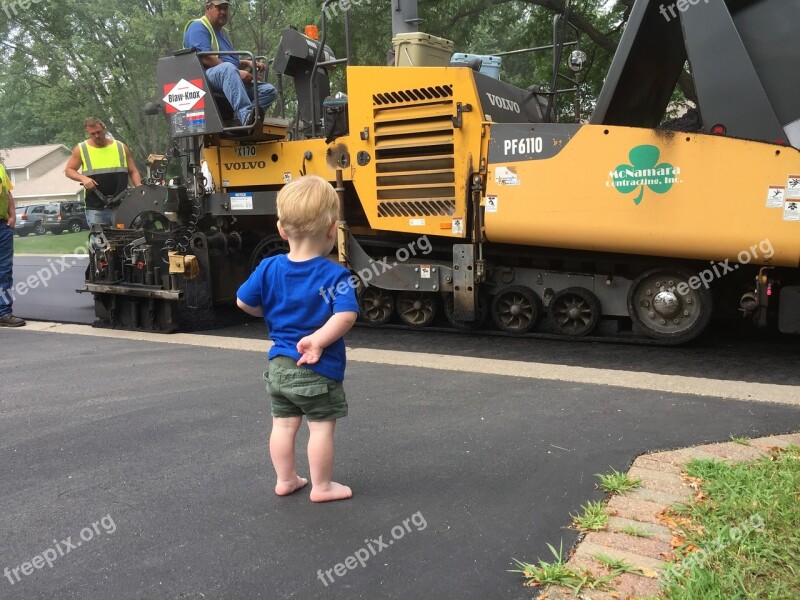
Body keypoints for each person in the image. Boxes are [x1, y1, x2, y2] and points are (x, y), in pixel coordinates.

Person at [236, 176, 358, 503]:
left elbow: (243, 302)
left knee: (283, 426)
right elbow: (346, 315)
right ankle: (322, 486)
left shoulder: (268, 267)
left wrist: (269, 313)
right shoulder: (335, 275)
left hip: (279, 366)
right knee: (319, 428)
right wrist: (317, 340)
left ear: (280, 229)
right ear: (332, 229)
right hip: (318, 370)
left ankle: (286, 479)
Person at [184, 0, 277, 127]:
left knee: (268, 90)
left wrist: (247, 63)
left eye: (225, 8)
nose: (223, 12)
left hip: (226, 74)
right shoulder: (198, 26)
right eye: (219, 8)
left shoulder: (223, 33)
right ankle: (246, 116)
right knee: (227, 69)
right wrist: (237, 73)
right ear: (208, 8)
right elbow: (205, 58)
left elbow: (229, 62)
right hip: (205, 79)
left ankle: (247, 118)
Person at [65, 117, 142, 227]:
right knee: (100, 242)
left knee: (129, 239)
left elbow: (133, 171)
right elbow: (69, 170)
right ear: (87, 132)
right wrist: (83, 178)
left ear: (104, 128)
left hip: (122, 205)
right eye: (92, 134)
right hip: (96, 208)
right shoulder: (81, 149)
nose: (96, 136)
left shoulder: (120, 147)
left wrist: (139, 187)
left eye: (98, 132)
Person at [0, 160, 25, 327]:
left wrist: (12, 215)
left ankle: (3, 313)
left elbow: (7, 193)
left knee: (4, 270)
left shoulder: (0, 167)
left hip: (3, 226)